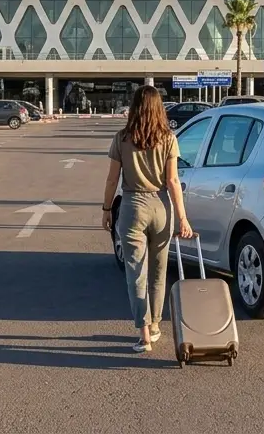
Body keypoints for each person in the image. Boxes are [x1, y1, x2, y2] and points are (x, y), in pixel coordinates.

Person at [100, 85, 193, 353]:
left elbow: (111, 179)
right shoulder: (169, 138)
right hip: (162, 207)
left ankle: (143, 335)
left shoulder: (122, 138)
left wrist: (107, 209)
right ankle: (155, 325)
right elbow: (173, 181)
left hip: (132, 207)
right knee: (159, 273)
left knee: (135, 273)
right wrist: (183, 218)